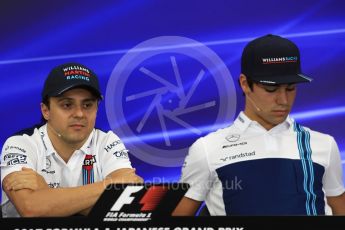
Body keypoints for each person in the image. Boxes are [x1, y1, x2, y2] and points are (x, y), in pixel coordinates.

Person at [172, 34, 345, 216]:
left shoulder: (324, 145)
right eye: (271, 89)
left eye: (290, 88)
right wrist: (140, 196)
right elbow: (174, 222)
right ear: (245, 84)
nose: (283, 100)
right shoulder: (207, 149)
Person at [1, 62, 143, 217]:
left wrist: (47, 196)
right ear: (46, 110)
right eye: (67, 105)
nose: (80, 114)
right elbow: (31, 209)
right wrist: (110, 186)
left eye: (87, 105)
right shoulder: (21, 143)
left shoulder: (107, 141)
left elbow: (129, 208)